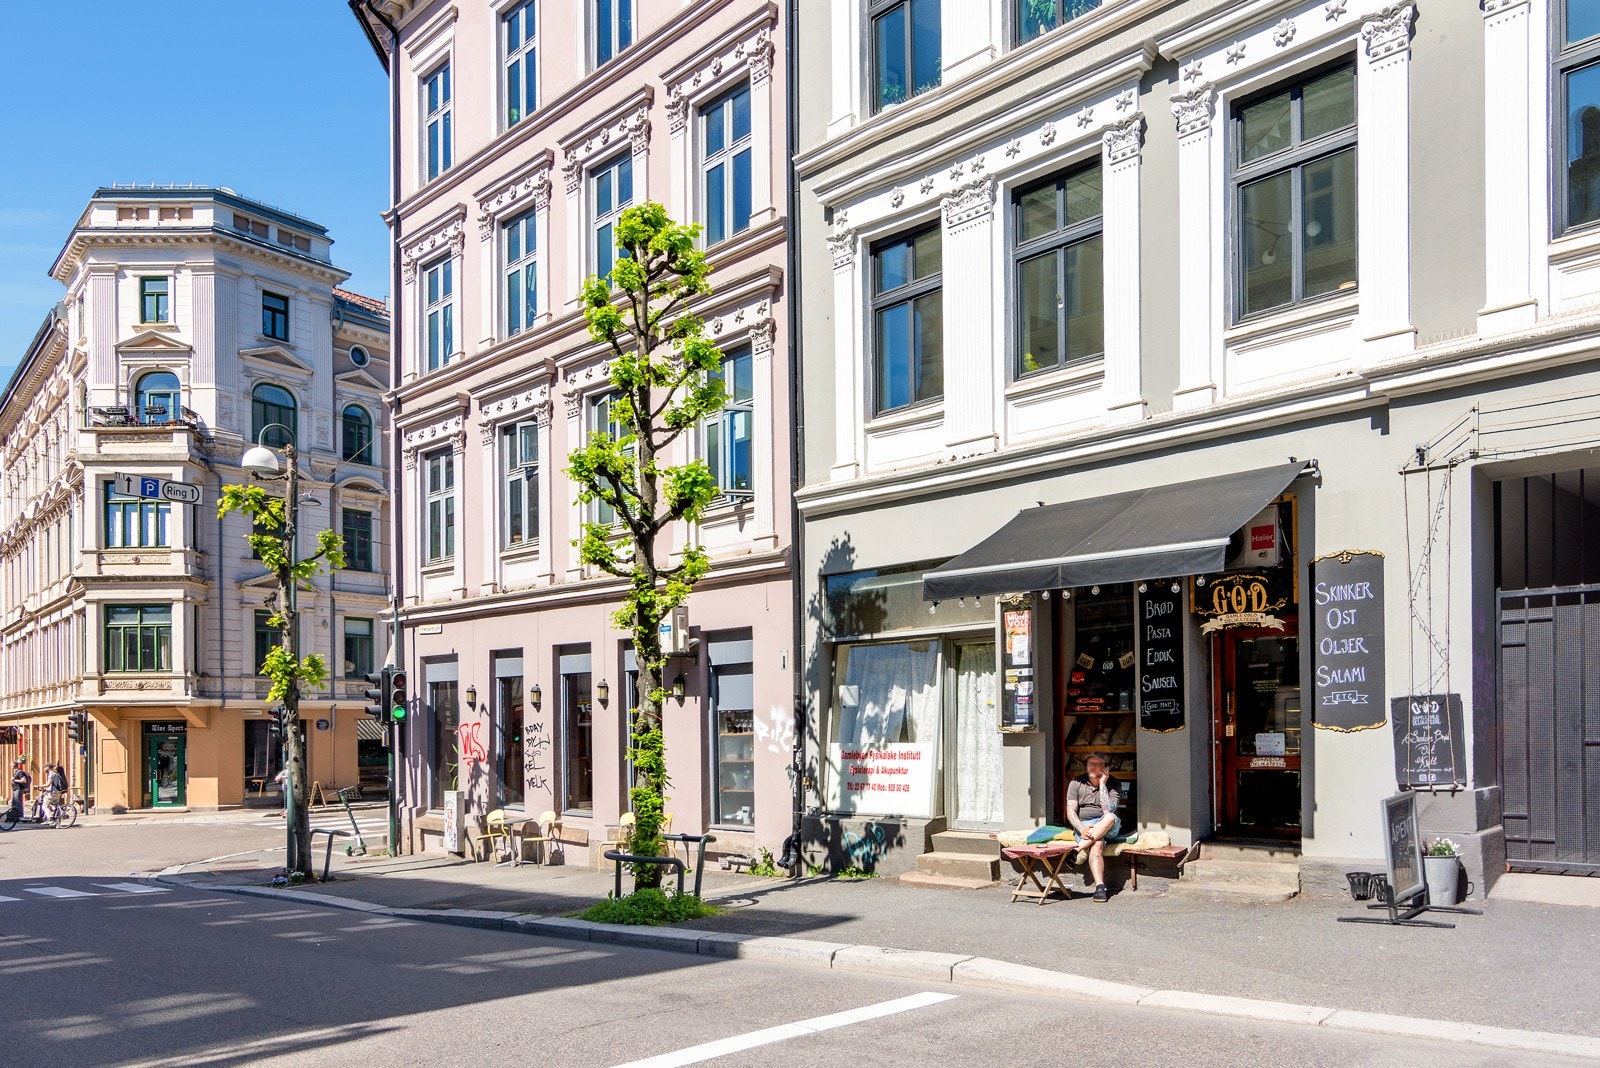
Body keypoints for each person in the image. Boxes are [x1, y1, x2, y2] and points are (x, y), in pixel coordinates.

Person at [1066, 752, 1123, 903]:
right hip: (1085, 825)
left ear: (1105, 768)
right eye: (1091, 764)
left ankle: (1076, 850)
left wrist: (1103, 783)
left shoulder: (1114, 784)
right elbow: (1070, 811)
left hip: (1107, 824)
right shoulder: (1076, 783)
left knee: (1111, 817)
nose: (1093, 767)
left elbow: (1108, 810)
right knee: (1097, 843)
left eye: (1097, 764)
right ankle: (1100, 888)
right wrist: (1080, 829)